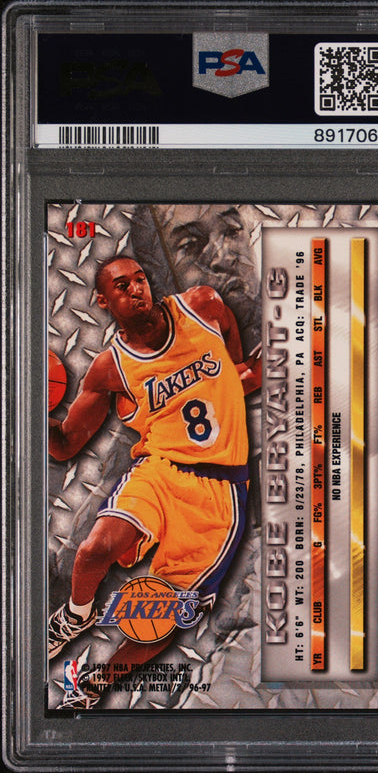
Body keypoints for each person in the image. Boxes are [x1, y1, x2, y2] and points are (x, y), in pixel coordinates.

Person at [48, 254, 261, 709]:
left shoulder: (202, 305)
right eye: (122, 286)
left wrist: (239, 373)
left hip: (220, 493)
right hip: (160, 470)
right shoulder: (111, 368)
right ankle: (76, 615)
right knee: (93, 550)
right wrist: (30, 409)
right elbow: (65, 445)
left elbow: (237, 363)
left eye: (140, 279)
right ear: (103, 301)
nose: (136, 289)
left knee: (162, 619)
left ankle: (92, 686)